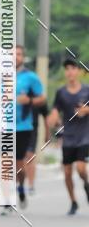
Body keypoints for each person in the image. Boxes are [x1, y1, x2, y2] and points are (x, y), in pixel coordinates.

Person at [47, 58, 89, 215]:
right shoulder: (61, 92)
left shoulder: (87, 90)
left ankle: (86, 183)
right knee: (66, 172)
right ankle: (73, 202)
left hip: (84, 136)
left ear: (78, 71)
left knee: (81, 168)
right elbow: (55, 110)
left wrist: (86, 111)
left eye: (73, 68)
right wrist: (53, 118)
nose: (70, 72)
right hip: (68, 137)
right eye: (67, 69)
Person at [13, 45, 46, 208]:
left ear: (22, 57)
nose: (15, 57)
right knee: (5, 161)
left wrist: (30, 101)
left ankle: (21, 187)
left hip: (23, 126)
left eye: (18, 54)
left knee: (19, 163)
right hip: (2, 126)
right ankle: (6, 199)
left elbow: (42, 99)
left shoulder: (31, 77)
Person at [25, 98, 50, 194]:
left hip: (31, 130)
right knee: (17, 158)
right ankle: (20, 183)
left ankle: (31, 185)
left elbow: (45, 116)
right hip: (15, 129)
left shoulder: (38, 95)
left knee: (30, 156)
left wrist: (47, 134)